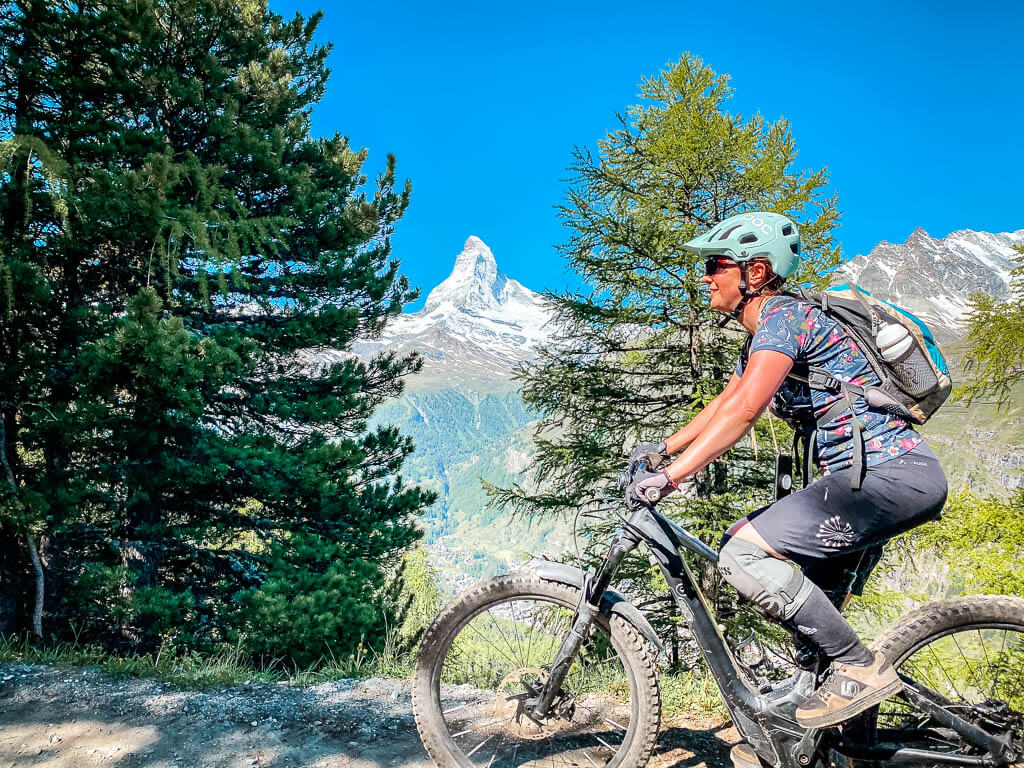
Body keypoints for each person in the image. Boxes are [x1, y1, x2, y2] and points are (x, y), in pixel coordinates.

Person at [625, 212, 948, 744]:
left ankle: (861, 668)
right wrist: (663, 450)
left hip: (887, 477)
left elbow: (746, 411)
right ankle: (839, 732)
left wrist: (671, 479)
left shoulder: (784, 318)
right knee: (813, 622)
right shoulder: (765, 335)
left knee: (742, 552)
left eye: (714, 265)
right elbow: (725, 403)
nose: (705, 277)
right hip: (870, 483)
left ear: (754, 272)